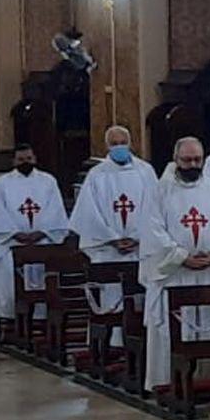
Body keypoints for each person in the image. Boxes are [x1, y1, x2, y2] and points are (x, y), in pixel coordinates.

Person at [140, 137, 210, 392]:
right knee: (171, 330)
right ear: (176, 160)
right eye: (187, 160)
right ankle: (168, 382)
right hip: (175, 275)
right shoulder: (159, 191)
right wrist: (181, 256)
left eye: (197, 160)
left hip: (209, 274)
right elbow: (153, 232)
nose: (193, 165)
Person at [69, 125, 159, 340]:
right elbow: (89, 213)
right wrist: (113, 238)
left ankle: (141, 341)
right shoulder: (97, 175)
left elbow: (156, 208)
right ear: (107, 146)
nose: (119, 147)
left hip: (141, 248)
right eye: (115, 143)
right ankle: (113, 345)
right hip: (108, 250)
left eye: (123, 142)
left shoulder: (145, 172)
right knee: (111, 297)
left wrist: (138, 237)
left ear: (131, 144)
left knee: (140, 299)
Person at [0, 144, 69, 319]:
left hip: (43, 242)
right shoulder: (3, 182)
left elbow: (55, 210)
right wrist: (15, 233)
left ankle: (42, 317)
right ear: (14, 161)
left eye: (29, 159)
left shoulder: (48, 181)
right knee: (8, 277)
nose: (25, 162)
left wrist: (42, 232)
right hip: (13, 243)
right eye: (21, 159)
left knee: (45, 274)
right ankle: (12, 318)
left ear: (35, 159)